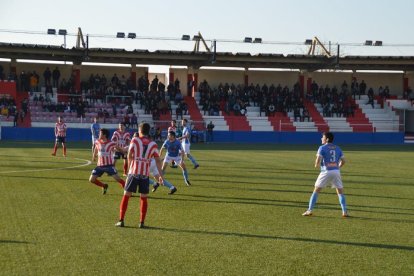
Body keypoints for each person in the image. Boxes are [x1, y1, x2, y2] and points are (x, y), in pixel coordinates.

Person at [115, 122, 164, 228]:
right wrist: (161, 176)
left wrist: (128, 170)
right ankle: (141, 223)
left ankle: (121, 220)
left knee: (126, 195)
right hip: (145, 174)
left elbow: (129, 154)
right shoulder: (153, 144)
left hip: (134, 172)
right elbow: (158, 160)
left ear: (140, 130)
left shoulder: (135, 140)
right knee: (144, 198)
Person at [302, 132, 348, 217]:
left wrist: (316, 164)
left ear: (326, 139)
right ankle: (344, 211)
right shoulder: (338, 148)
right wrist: (338, 166)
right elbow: (344, 161)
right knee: (340, 191)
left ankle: (309, 210)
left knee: (316, 190)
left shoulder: (322, 147)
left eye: (322, 137)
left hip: (326, 171)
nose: (321, 138)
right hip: (336, 171)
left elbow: (318, 159)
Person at [89, 128, 125, 194]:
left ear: (104, 135)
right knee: (91, 180)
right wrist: (94, 156)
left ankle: (127, 191)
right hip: (99, 166)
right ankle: (104, 186)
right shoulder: (97, 141)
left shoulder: (111, 143)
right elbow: (96, 148)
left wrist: (125, 152)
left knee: (118, 179)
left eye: (100, 133)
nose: (98, 134)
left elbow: (119, 149)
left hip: (109, 166)